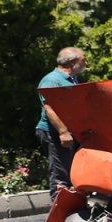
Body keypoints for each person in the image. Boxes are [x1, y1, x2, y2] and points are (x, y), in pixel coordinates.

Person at [35, 47, 88, 193]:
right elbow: (49, 108)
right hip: (55, 133)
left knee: (73, 173)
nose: (86, 62)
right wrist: (63, 132)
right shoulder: (52, 80)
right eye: (83, 59)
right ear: (72, 62)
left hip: (71, 133)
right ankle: (59, 211)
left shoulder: (72, 79)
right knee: (61, 175)